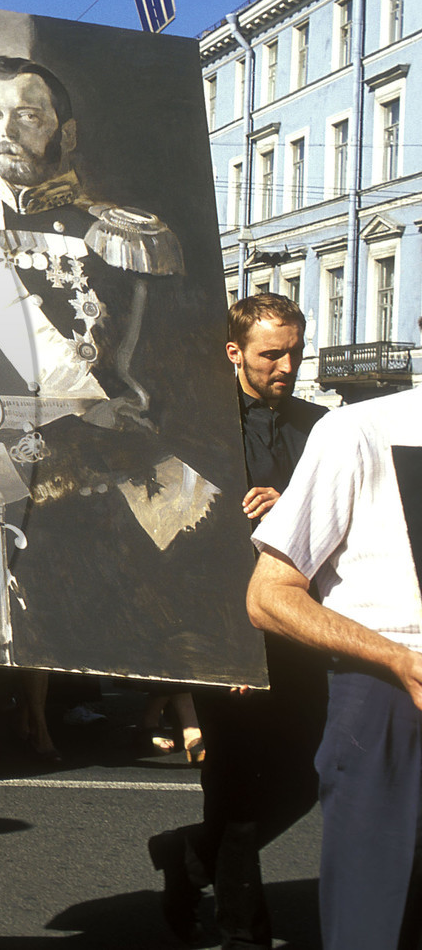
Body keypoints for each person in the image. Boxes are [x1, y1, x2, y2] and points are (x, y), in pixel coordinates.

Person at [0, 54, 201, 671]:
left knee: (84, 667)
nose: (5, 131)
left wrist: (87, 443)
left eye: (27, 115)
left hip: (85, 491)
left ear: (68, 131)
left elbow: (162, 388)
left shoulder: (125, 239)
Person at [149, 294, 328, 946]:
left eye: (295, 352)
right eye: (271, 354)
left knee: (307, 776)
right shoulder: (196, 426)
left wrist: (294, 507)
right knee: (237, 791)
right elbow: (166, 535)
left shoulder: (323, 426)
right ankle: (242, 933)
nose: (287, 367)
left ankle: (187, 857)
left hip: (303, 631)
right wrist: (218, 648)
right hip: (224, 634)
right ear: (235, 353)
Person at [242, 377, 422, 950]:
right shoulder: (358, 430)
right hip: (387, 694)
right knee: (377, 921)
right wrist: (397, 658)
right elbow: (269, 596)